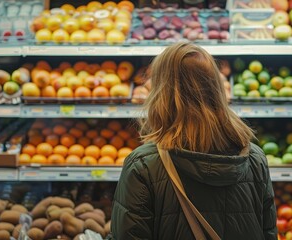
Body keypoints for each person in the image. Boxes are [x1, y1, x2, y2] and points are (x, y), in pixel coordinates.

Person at [110, 42, 277, 240]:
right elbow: (268, 233)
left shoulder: (143, 166)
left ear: (161, 94)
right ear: (216, 88)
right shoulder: (255, 158)